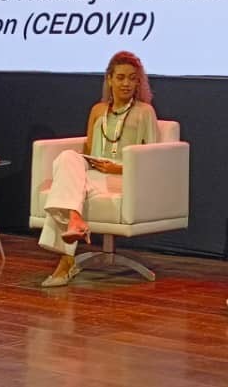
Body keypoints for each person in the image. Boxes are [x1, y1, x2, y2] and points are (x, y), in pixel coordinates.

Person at [38, 50, 159, 287]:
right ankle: (75, 220)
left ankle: (66, 261)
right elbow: (88, 148)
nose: (126, 84)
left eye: (132, 78)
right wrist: (89, 164)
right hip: (93, 175)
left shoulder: (145, 112)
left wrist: (118, 168)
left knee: (66, 188)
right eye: (121, 77)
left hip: (123, 178)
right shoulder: (97, 110)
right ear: (109, 79)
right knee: (67, 157)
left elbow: (152, 159)